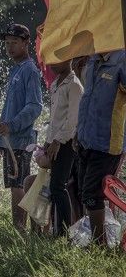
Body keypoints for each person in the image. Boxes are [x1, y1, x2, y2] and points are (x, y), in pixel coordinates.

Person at [0, 24, 44, 232]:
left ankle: (19, 231)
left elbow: (35, 106)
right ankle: (20, 230)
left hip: (21, 139)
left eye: (14, 42)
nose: (10, 47)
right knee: (15, 184)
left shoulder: (30, 70)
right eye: (7, 43)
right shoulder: (16, 70)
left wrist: (11, 126)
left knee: (18, 185)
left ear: (26, 43)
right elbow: (8, 110)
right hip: (10, 140)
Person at [74, 49, 126, 246]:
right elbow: (88, 101)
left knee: (92, 194)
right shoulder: (93, 60)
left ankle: (100, 244)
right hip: (86, 139)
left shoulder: (121, 60)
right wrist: (79, 133)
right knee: (84, 193)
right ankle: (100, 239)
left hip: (107, 142)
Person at [45, 59, 83, 236]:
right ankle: (56, 228)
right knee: (54, 187)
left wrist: (58, 140)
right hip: (53, 142)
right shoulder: (55, 84)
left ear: (69, 60)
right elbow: (54, 117)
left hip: (66, 143)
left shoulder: (74, 85)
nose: (52, 64)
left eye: (57, 60)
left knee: (58, 186)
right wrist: (48, 140)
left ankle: (64, 232)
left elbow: (73, 120)